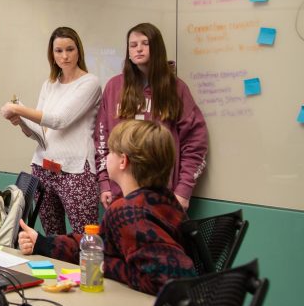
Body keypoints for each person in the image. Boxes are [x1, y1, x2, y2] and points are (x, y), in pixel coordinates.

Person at [17, 120, 196, 296]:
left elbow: (168, 280)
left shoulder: (127, 211)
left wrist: (105, 264)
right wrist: (42, 243)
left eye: (110, 152)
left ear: (123, 161)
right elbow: (98, 244)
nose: (105, 157)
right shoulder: (164, 199)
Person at [96, 23, 208, 211]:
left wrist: (183, 191)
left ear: (156, 48)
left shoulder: (176, 89)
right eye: (133, 45)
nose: (138, 48)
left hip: (162, 195)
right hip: (119, 194)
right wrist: (104, 182)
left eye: (145, 43)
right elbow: (101, 138)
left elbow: (195, 142)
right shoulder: (114, 87)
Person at [0, 27, 101, 235]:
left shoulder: (90, 83)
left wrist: (18, 109)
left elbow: (59, 121)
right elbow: (40, 132)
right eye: (59, 51)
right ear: (52, 55)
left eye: (70, 49)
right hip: (43, 167)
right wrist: (21, 121)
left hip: (75, 172)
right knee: (52, 239)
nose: (65, 56)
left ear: (78, 51)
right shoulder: (49, 84)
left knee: (85, 239)